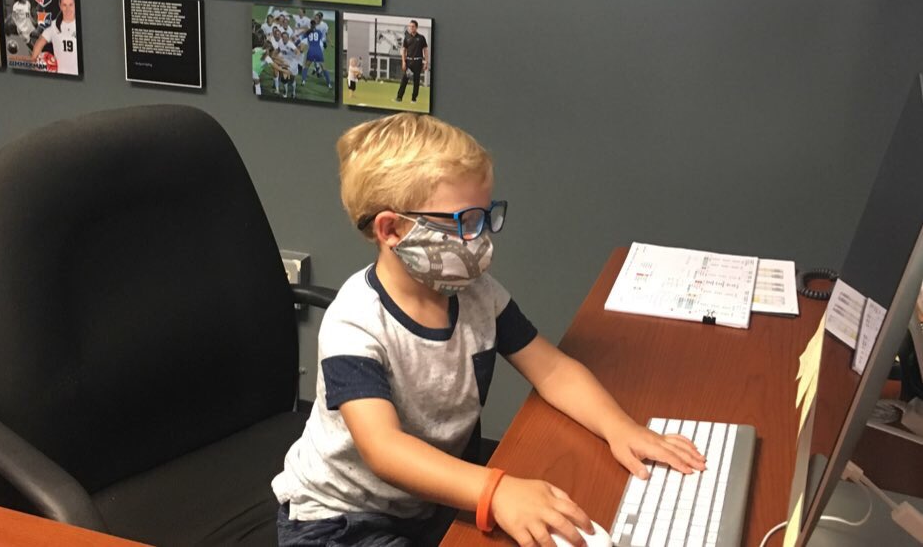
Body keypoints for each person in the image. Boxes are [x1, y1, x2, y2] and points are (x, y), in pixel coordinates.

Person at [272, 114, 704, 546]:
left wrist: (620, 428)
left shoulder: (478, 295)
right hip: (339, 520)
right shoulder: (356, 322)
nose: (479, 239)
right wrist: (496, 491)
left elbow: (552, 370)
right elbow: (384, 449)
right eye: (463, 223)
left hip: (429, 503)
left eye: (484, 217)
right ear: (392, 229)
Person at [31, 0, 78, 75]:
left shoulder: (81, 24)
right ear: (60, 6)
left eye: (71, 5)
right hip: (59, 76)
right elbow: (41, 41)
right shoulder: (54, 25)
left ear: (75, 5)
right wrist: (35, 60)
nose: (68, 9)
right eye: (64, 5)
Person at [396, 20, 428, 104]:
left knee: (416, 81)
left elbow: (425, 50)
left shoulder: (421, 38)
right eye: (410, 26)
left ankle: (414, 98)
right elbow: (404, 50)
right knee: (405, 80)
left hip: (418, 62)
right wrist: (403, 61)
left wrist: (426, 62)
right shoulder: (407, 38)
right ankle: (399, 97)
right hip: (409, 62)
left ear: (416, 27)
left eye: (413, 26)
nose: (411, 28)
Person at [298, 16, 331, 89]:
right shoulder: (319, 32)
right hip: (318, 50)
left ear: (310, 25)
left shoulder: (307, 33)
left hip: (311, 51)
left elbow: (304, 37)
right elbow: (322, 39)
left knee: (306, 66)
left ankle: (303, 81)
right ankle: (329, 84)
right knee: (324, 68)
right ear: (315, 25)